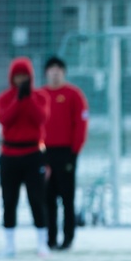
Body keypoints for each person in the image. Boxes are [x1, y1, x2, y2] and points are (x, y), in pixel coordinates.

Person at [0, 57, 50, 258]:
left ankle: (42, 244)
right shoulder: (4, 98)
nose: (20, 79)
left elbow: (41, 118)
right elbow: (5, 120)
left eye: (24, 76)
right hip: (9, 155)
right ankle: (9, 245)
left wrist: (28, 98)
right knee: (9, 200)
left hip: (33, 154)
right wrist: (19, 99)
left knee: (36, 198)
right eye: (17, 76)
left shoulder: (40, 97)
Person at [40, 55, 89, 250]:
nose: (55, 72)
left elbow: (81, 124)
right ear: (46, 72)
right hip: (44, 153)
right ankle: (49, 237)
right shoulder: (40, 95)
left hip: (66, 152)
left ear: (64, 72)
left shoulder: (74, 94)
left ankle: (68, 237)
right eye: (51, 68)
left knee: (67, 197)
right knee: (47, 197)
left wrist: (74, 151)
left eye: (58, 68)